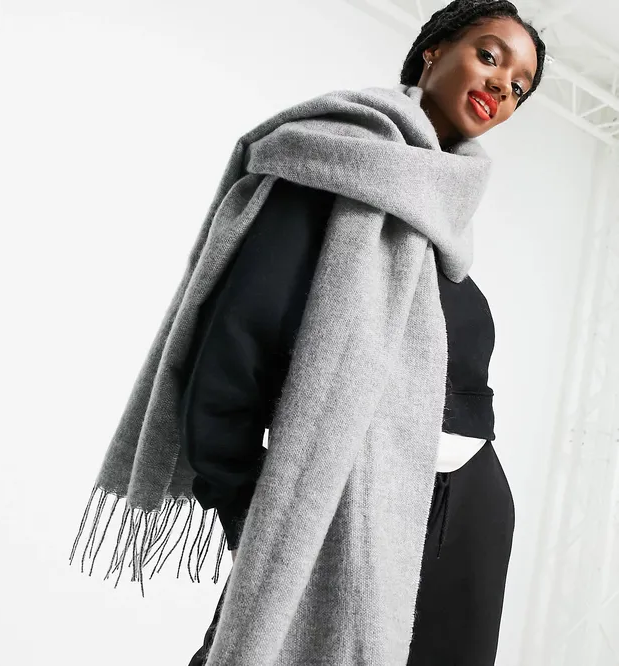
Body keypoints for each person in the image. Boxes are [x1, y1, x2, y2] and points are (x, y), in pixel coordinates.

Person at [185, 1, 545, 664]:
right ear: (434, 49)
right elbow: (233, 347)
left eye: (520, 86)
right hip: (344, 498)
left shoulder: (444, 220)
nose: (502, 86)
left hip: (469, 512)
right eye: (490, 57)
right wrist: (242, 503)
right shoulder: (330, 160)